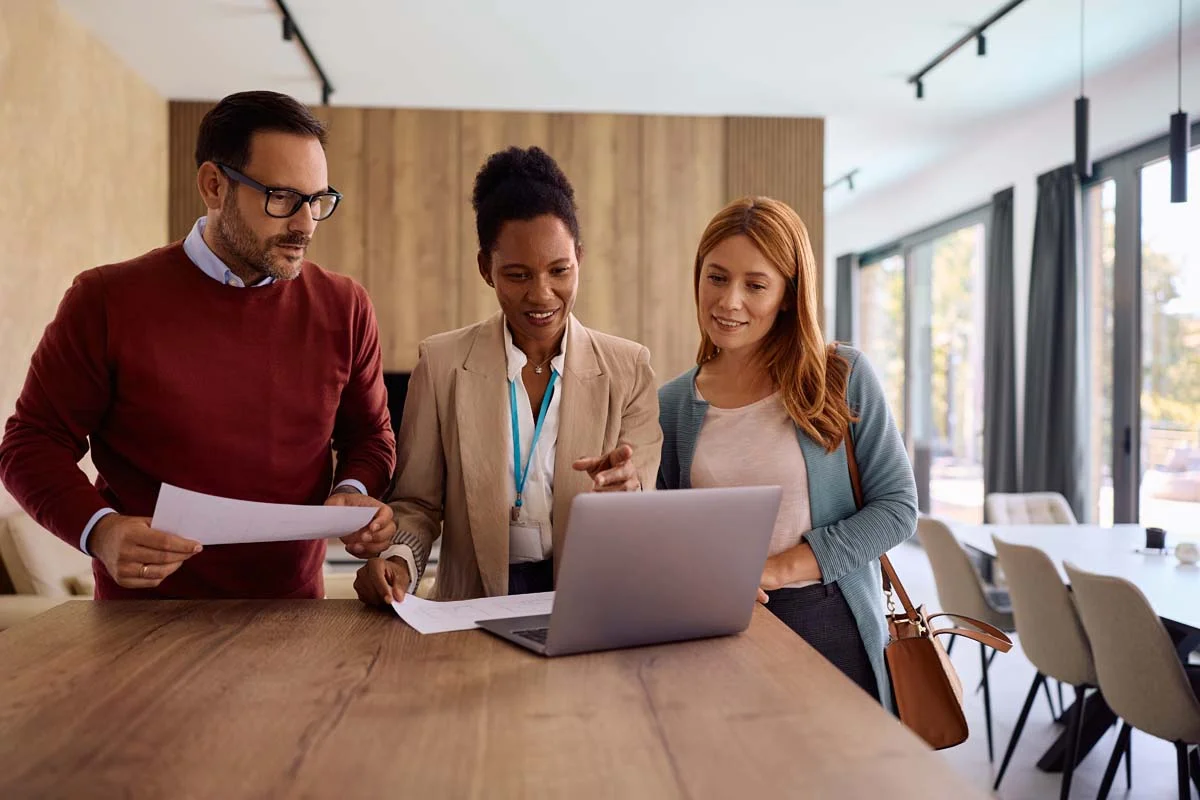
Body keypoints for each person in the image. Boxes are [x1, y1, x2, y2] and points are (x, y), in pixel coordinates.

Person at [0, 91, 397, 599]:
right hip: (142, 628)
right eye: (282, 198)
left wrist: (352, 492)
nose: (305, 224)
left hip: (294, 621)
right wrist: (100, 530)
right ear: (214, 186)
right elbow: (31, 443)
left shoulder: (345, 307)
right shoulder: (104, 300)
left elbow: (371, 437)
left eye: (318, 201)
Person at [354, 146, 661, 604]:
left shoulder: (629, 369)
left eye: (560, 270)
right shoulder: (441, 365)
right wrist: (399, 562)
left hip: (588, 602)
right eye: (517, 275)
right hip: (470, 606)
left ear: (580, 257)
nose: (541, 295)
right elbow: (417, 506)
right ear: (486, 269)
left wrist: (631, 490)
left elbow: (644, 510)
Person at [656, 196, 917, 705]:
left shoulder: (839, 376)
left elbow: (898, 510)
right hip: (719, 630)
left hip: (828, 623)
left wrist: (771, 569)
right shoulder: (672, 404)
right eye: (716, 277)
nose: (730, 301)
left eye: (755, 285)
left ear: (787, 294)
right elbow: (669, 529)